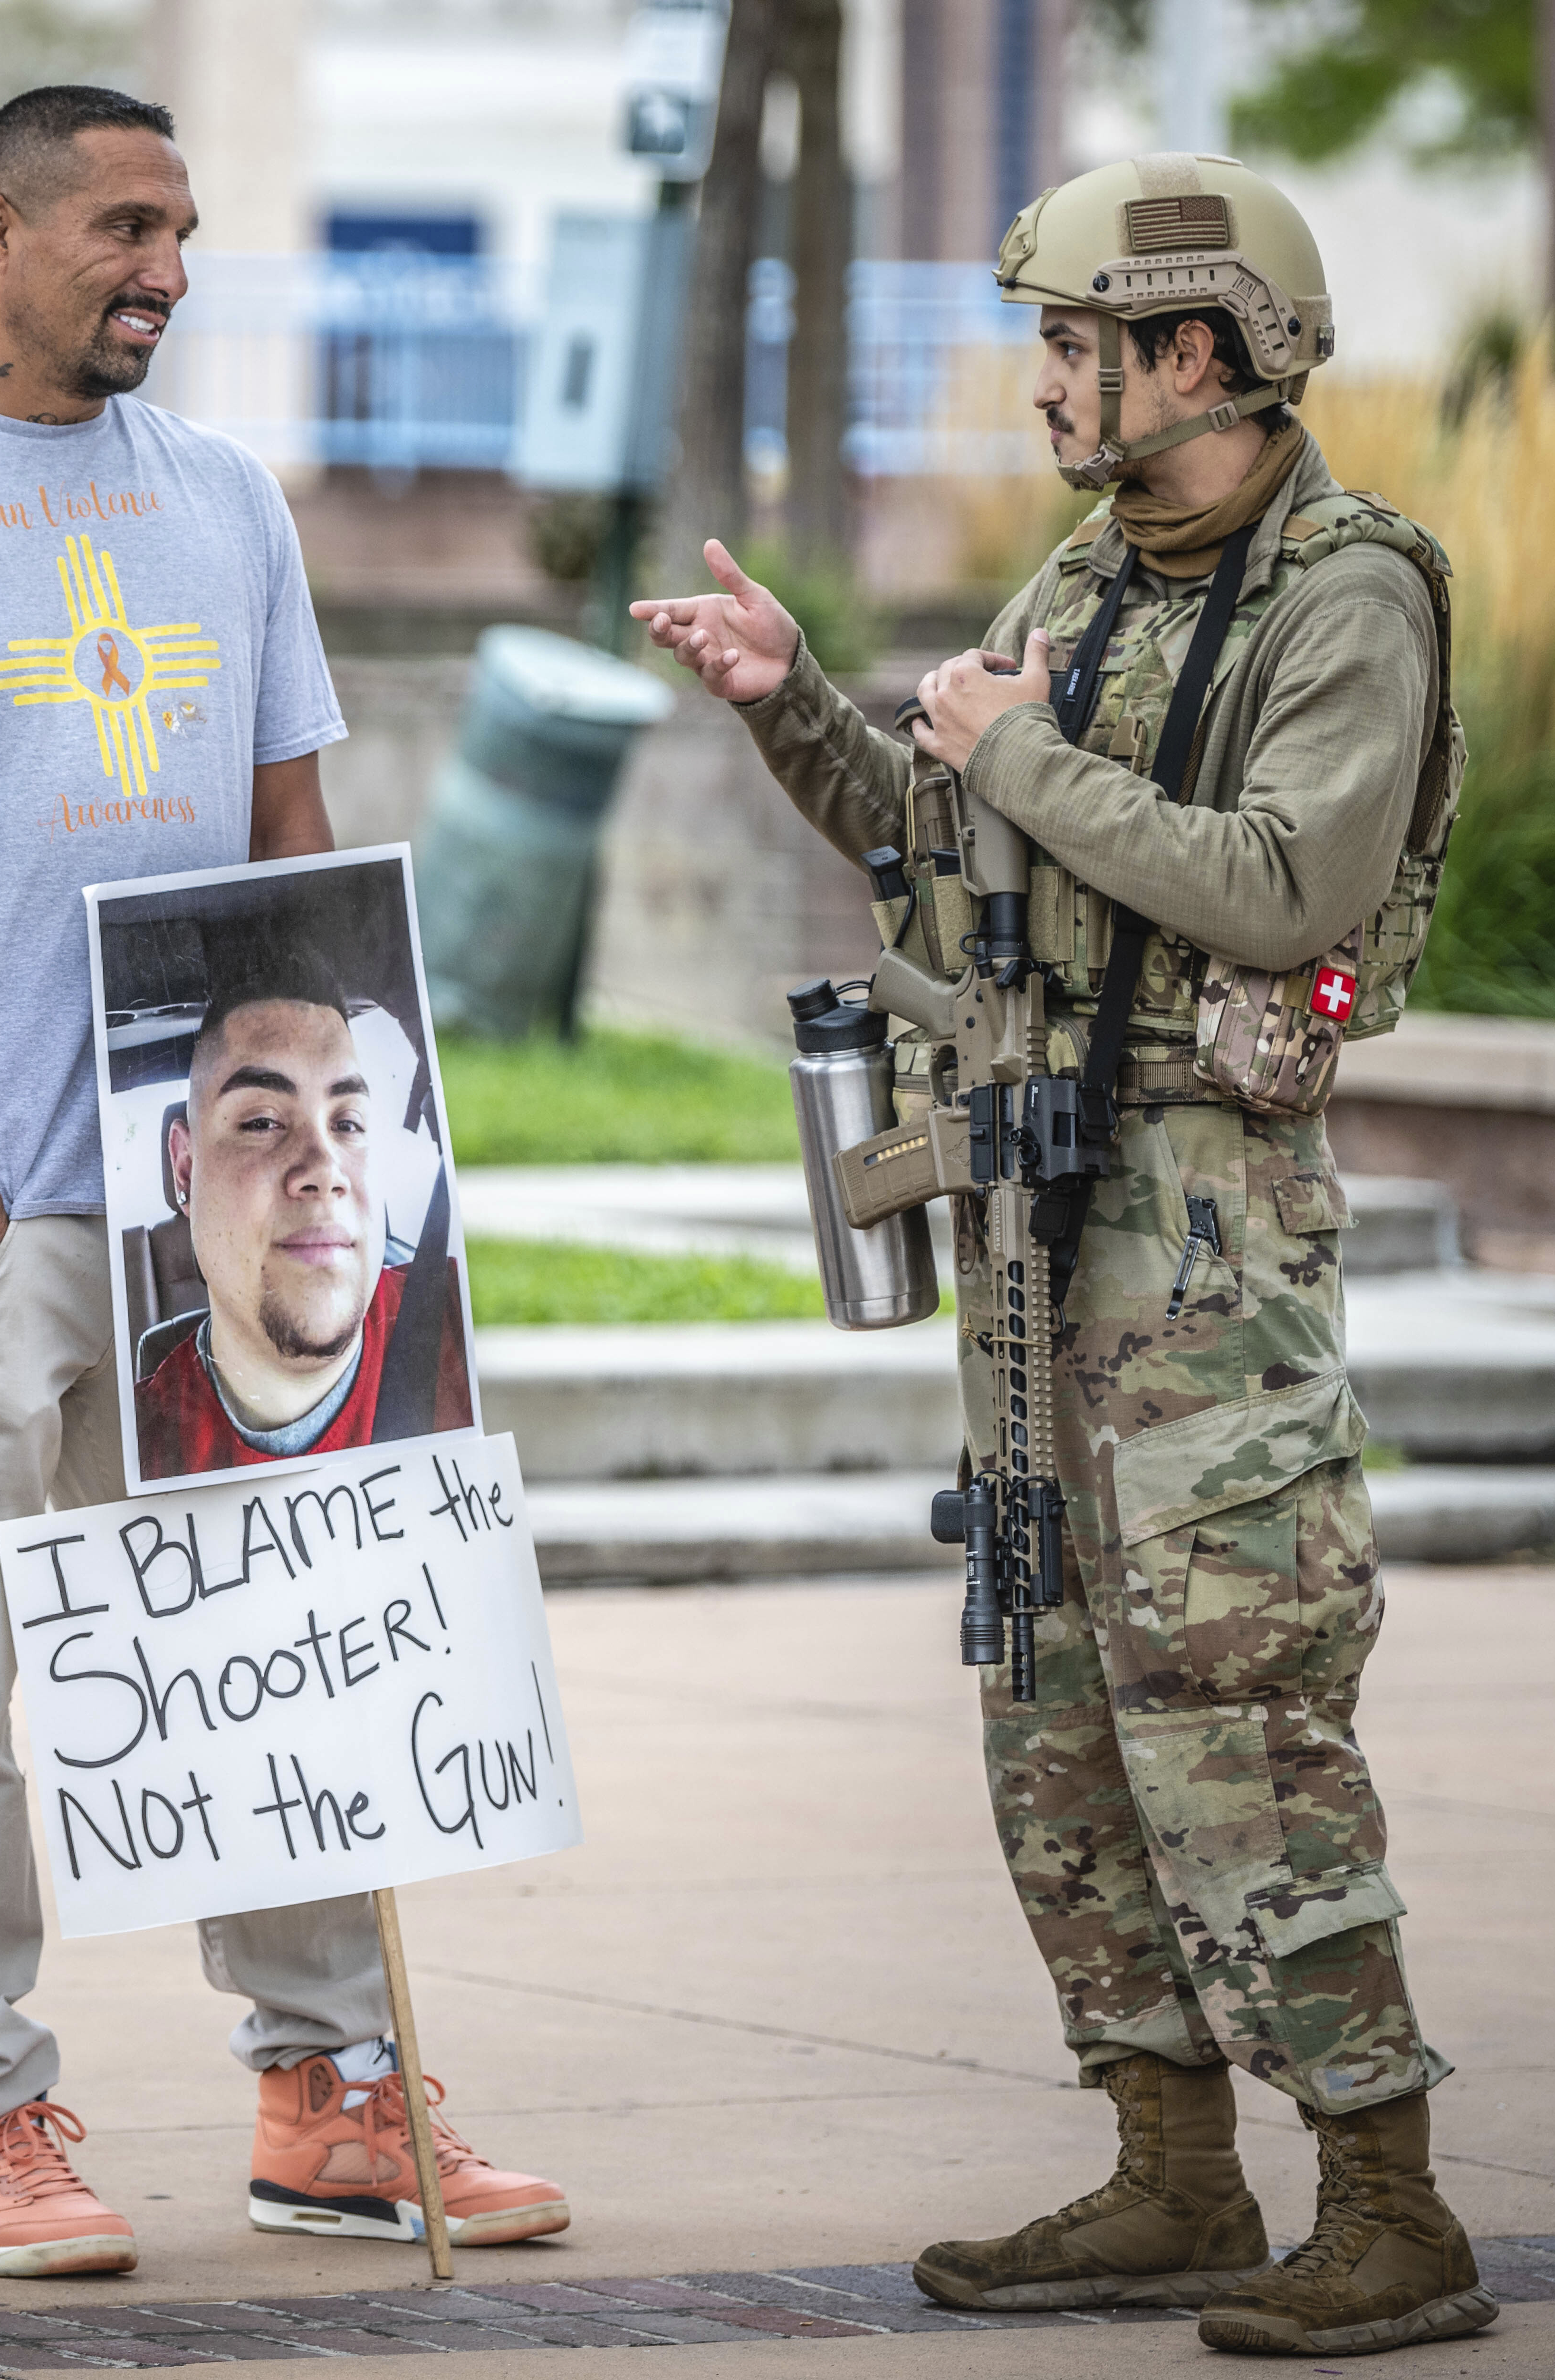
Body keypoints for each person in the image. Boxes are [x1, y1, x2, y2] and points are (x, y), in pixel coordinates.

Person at [634, 154, 1489, 2361]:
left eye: (1068, 344)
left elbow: (1286, 883)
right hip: (1030, 1223)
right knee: (1046, 1703)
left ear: (1185, 351)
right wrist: (790, 703)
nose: (1039, 384)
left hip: (1201, 1238)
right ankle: (1170, 2167)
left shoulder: (1342, 595)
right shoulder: (1087, 580)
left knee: (1235, 1710)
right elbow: (952, 870)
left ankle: (1385, 2202)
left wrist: (1013, 749)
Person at [0, 86, 564, 2275]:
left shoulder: (221, 498)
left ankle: (330, 2087)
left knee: (273, 1638)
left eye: (179, 230)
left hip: (217, 1208)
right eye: (122, 226)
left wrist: (341, 1189)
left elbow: (288, 839)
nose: (164, 268)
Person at [135, 960, 471, 1479]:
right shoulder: (131, 1446)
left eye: (348, 1123)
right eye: (262, 1122)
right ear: (186, 1167)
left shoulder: (463, 1324)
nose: (324, 1169)